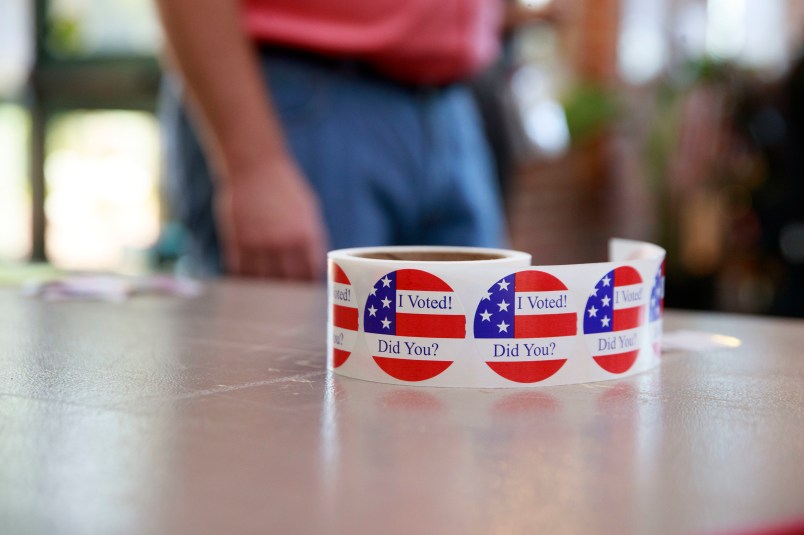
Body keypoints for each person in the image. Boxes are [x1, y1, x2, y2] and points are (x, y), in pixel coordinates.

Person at [156, 0, 509, 280]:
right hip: (300, 98)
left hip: (451, 104)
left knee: (470, 353)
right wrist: (255, 164)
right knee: (291, 361)